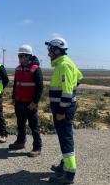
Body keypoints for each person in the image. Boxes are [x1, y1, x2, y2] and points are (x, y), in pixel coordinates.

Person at [45, 37, 83, 184]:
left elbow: (67, 91)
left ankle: (69, 174)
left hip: (63, 109)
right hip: (65, 107)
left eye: (50, 50)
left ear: (56, 50)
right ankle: (65, 164)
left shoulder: (64, 66)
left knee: (65, 139)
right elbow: (79, 77)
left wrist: (62, 110)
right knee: (64, 137)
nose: (48, 54)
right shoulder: (66, 63)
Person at [9, 45, 43, 157]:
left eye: (21, 56)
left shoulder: (35, 69)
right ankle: (20, 142)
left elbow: (40, 87)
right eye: (19, 56)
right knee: (20, 124)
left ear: (28, 56)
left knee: (34, 126)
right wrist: (14, 98)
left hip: (30, 104)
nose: (19, 58)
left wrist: (35, 102)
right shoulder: (18, 69)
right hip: (19, 102)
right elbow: (16, 84)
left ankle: (37, 147)